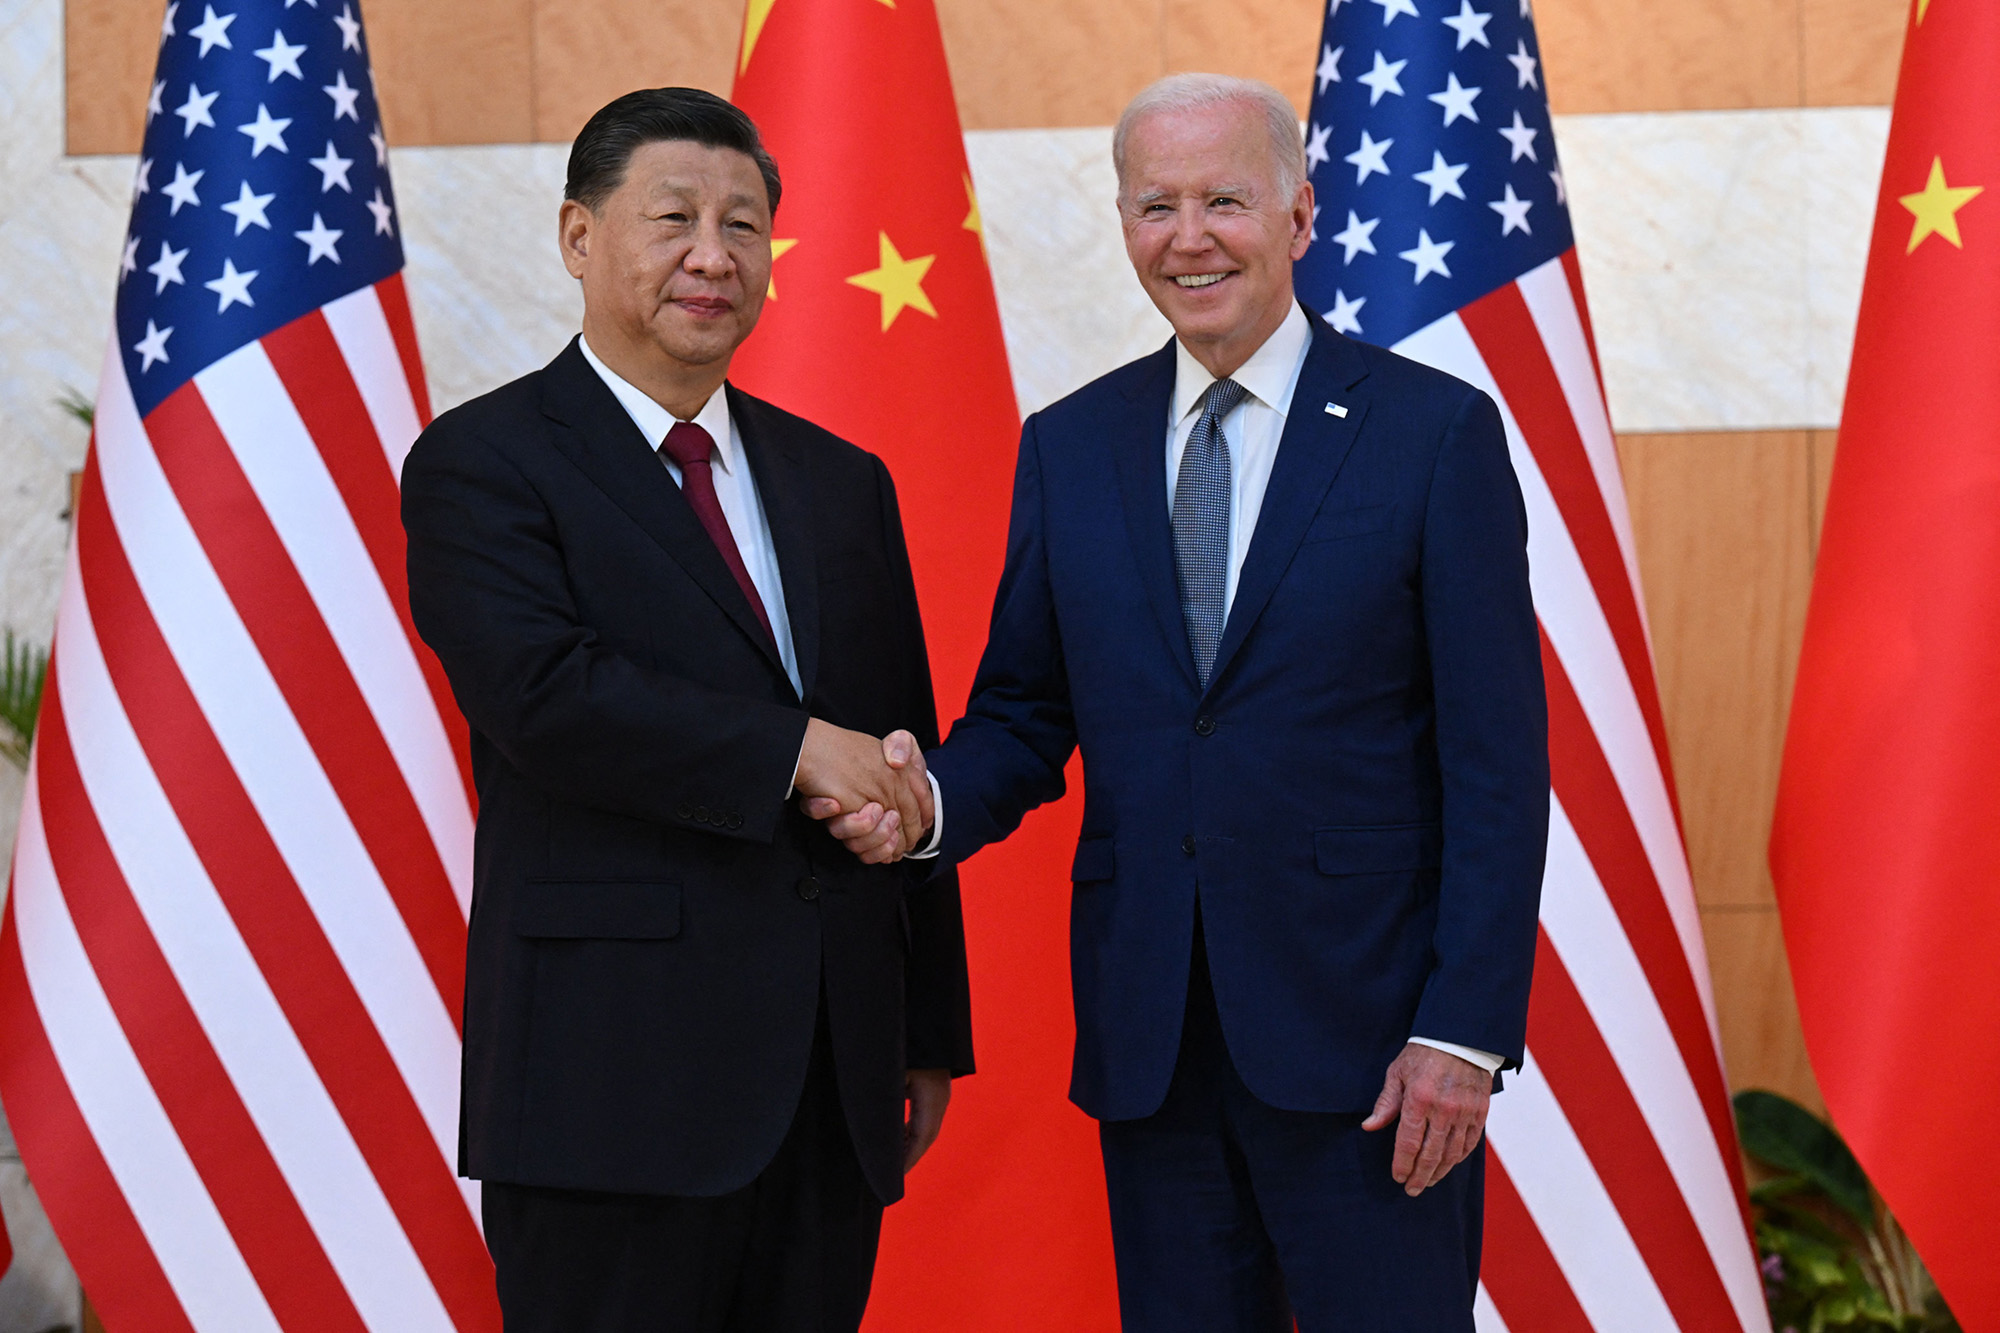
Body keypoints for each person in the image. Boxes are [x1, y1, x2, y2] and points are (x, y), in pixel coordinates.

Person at [814, 74, 1548, 1330]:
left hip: (1372, 1049)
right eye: (1155, 206)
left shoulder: (1431, 434)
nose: (1188, 237)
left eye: (1223, 200)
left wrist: (1463, 1033)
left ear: (1300, 216)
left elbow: (1496, 759)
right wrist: (925, 798)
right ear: (1122, 224)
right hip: (1154, 1042)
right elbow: (1026, 711)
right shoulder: (1070, 444)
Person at [400, 87, 972, 1332]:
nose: (712, 255)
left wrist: (923, 1031)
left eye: (744, 225)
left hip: (832, 1076)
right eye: (672, 217)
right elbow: (544, 697)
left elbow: (895, 752)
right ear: (577, 238)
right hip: (611, 1085)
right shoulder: (482, 462)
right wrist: (791, 752)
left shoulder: (842, 481)